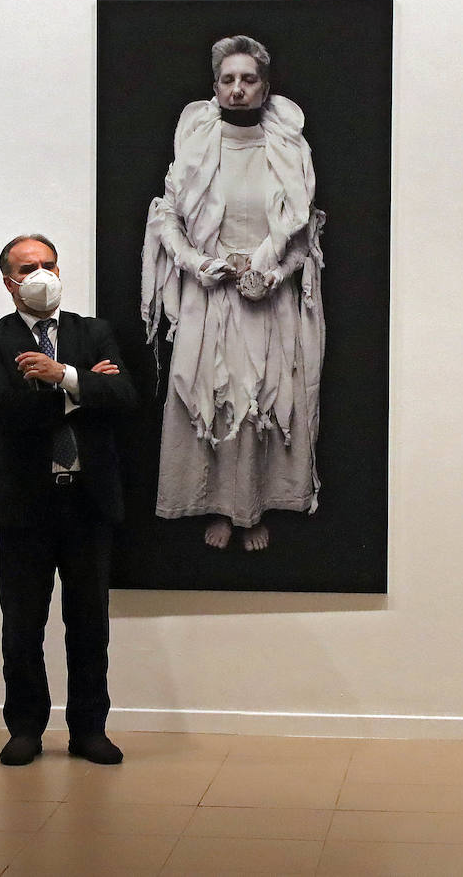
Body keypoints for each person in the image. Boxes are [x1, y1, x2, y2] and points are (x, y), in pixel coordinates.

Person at [142, 34, 326, 552]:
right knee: (213, 399)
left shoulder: (287, 146)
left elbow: (303, 235)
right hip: (211, 294)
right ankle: (220, 507)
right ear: (215, 87)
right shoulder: (197, 142)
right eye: (229, 80)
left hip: (267, 298)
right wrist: (201, 264)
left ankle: (254, 509)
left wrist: (270, 270)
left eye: (249, 80)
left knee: (266, 400)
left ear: (265, 88)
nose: (238, 89)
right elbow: (169, 220)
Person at [0, 234, 138, 766]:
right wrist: (83, 390)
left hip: (88, 500)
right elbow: (4, 412)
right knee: (22, 624)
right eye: (28, 267)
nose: (41, 273)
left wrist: (60, 375)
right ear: (9, 282)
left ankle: (89, 730)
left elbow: (125, 398)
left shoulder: (94, 332)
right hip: (24, 503)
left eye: (48, 264)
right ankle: (25, 728)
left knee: (90, 622)